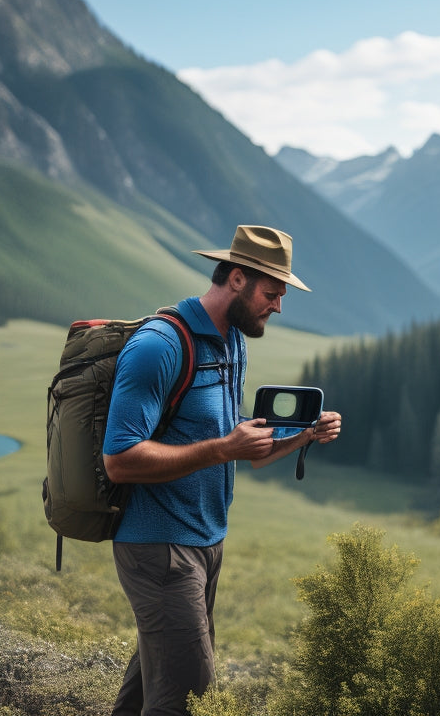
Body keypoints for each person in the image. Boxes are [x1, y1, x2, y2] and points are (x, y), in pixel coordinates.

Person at [102, 225, 342, 715]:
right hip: (160, 547)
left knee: (151, 691)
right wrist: (220, 449)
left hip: (205, 544)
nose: (278, 306)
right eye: (272, 293)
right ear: (236, 278)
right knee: (190, 698)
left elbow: (240, 448)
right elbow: (120, 459)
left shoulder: (232, 341)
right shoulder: (161, 346)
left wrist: (301, 436)